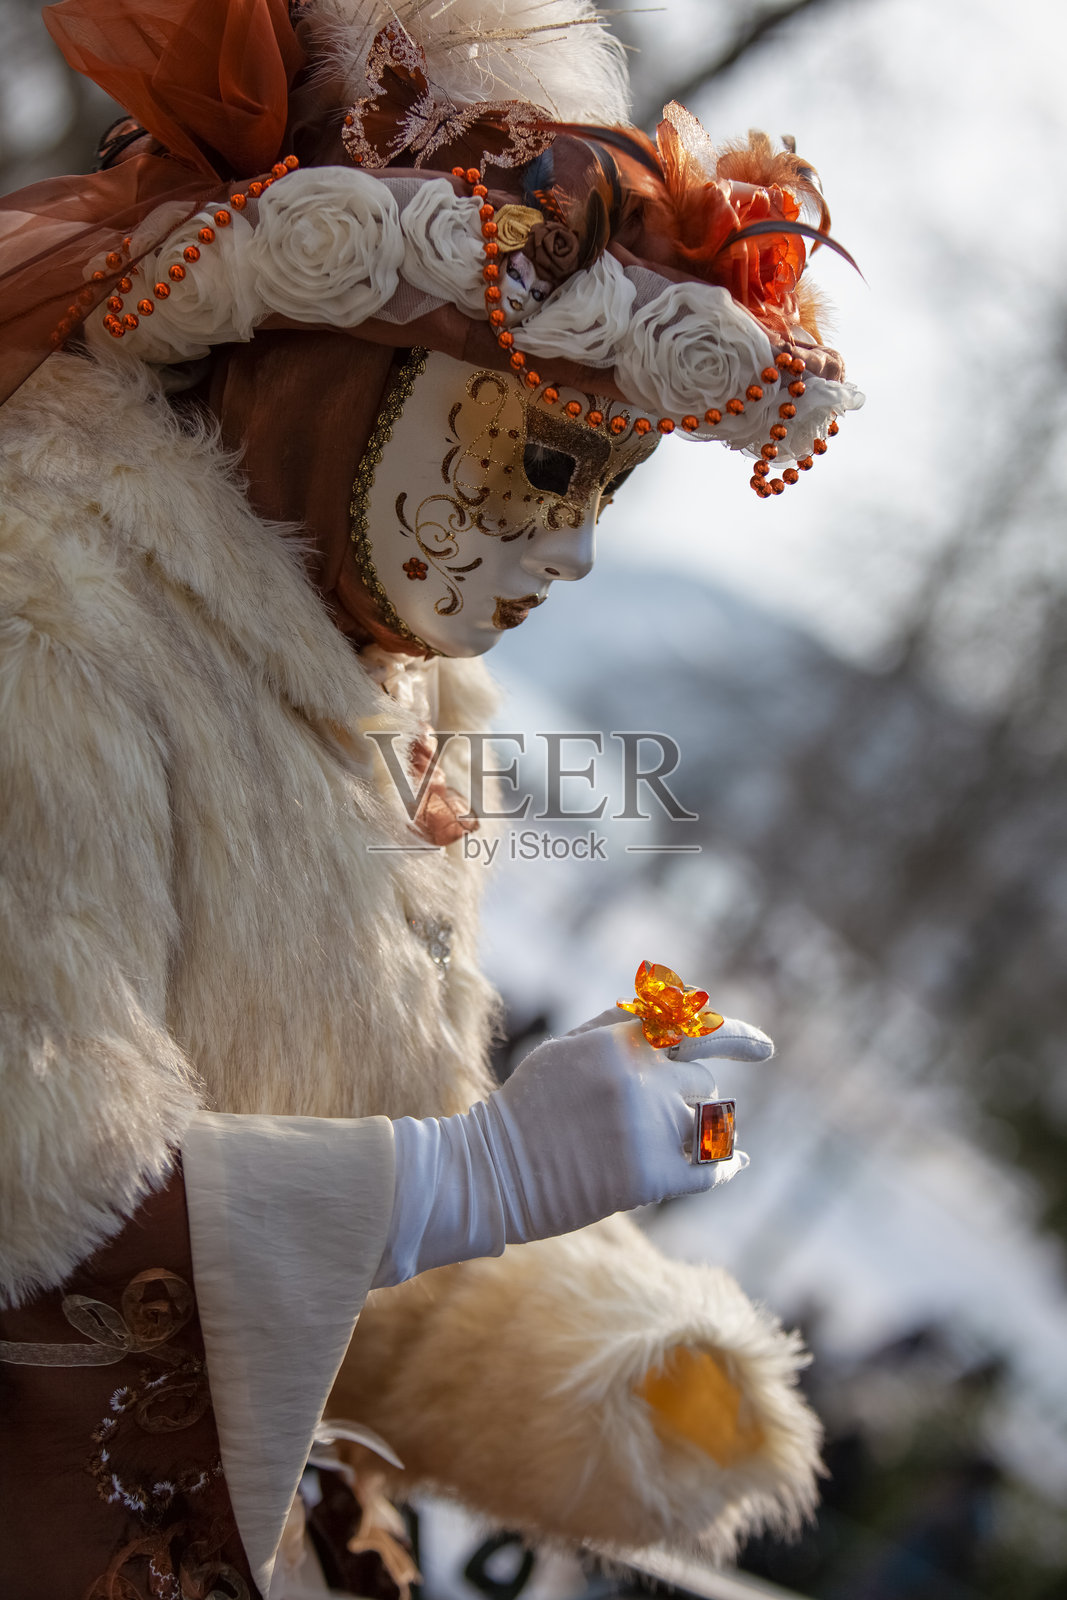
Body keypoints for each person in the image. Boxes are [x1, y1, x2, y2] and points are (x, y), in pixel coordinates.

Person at [0, 1, 863, 1594]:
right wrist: (476, 1176)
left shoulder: (404, 693)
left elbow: (358, 1228)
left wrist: (623, 1370)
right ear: (338, 373)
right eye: (547, 461)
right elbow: (34, 1184)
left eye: (611, 488)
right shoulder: (42, 604)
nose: (577, 551)